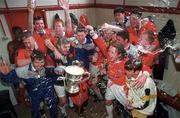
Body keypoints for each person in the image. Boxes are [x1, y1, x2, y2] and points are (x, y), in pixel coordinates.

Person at [0, 50, 58, 118]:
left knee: (53, 106)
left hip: (48, 90)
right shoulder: (23, 70)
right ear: (32, 61)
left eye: (42, 62)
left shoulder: (46, 67)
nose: (39, 65)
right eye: (36, 62)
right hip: (34, 93)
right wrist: (2, 74)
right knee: (35, 111)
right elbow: (8, 78)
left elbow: (55, 76)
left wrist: (59, 73)